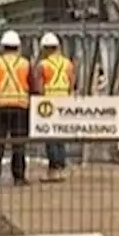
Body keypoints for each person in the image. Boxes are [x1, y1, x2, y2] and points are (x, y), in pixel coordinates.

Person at [0, 29, 42, 187]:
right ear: (18, 46)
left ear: (2, 46)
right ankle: (18, 177)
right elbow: (33, 87)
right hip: (19, 108)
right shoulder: (25, 63)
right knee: (19, 143)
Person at [37, 32, 75, 182]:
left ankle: (53, 168)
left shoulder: (42, 65)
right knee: (60, 136)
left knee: (50, 137)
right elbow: (72, 82)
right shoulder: (67, 63)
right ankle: (61, 167)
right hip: (64, 100)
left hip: (48, 102)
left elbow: (40, 87)